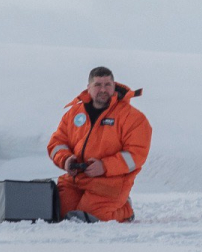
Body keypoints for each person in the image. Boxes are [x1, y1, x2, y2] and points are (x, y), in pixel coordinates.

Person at [47, 66, 152, 222]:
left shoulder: (133, 118)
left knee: (91, 218)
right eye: (97, 85)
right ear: (88, 88)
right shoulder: (74, 114)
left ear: (114, 86)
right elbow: (57, 143)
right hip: (75, 180)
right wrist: (66, 160)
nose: (103, 89)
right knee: (59, 213)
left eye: (107, 85)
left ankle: (125, 210)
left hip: (110, 183)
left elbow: (136, 155)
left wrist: (104, 166)